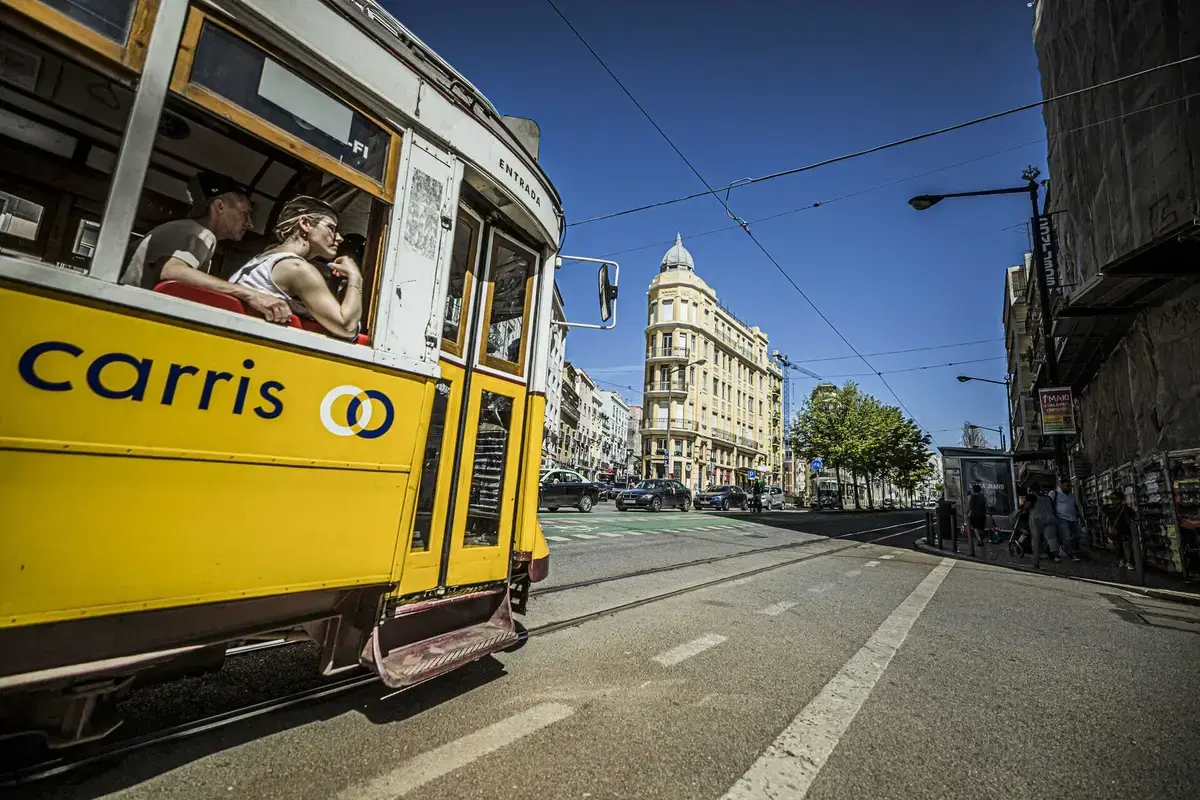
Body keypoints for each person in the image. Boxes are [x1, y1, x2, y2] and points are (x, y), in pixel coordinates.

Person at [120, 171, 291, 323]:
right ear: (220, 206)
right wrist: (250, 294)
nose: (250, 224)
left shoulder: (183, 228)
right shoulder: (200, 233)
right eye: (245, 213)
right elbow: (171, 271)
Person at [229, 196, 363, 340]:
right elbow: (346, 327)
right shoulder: (297, 268)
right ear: (305, 224)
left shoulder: (265, 258)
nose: (339, 238)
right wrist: (356, 277)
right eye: (331, 228)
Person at [1030, 480, 1063, 568]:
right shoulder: (1048, 498)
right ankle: (1056, 557)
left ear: (1031, 490)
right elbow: (1052, 507)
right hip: (1050, 518)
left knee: (1036, 539)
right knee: (1051, 538)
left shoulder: (1032, 497)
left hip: (1037, 520)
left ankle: (1036, 561)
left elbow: (1026, 507)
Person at [1050, 478, 1083, 561]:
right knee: (1066, 537)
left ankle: (1066, 547)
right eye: (1067, 486)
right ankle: (1071, 554)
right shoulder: (1054, 493)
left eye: (1070, 486)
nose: (1069, 488)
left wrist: (1080, 516)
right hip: (1061, 518)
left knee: (1079, 535)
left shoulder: (1071, 495)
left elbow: (1075, 506)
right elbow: (1050, 505)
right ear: (1061, 485)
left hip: (1073, 518)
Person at [1103, 490, 1137, 570]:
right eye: (1111, 498)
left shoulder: (1124, 509)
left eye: (1115, 499)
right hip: (1117, 531)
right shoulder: (1109, 509)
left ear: (1121, 499)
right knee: (1120, 547)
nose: (1113, 501)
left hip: (1123, 530)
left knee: (1124, 546)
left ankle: (1127, 562)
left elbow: (1133, 518)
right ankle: (1125, 561)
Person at [967, 484, 989, 548]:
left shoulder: (971, 496)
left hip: (974, 514)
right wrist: (989, 514)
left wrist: (967, 512)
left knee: (974, 527)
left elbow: (968, 506)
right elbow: (986, 506)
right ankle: (981, 540)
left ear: (973, 490)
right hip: (982, 514)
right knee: (981, 528)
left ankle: (979, 539)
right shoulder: (983, 497)